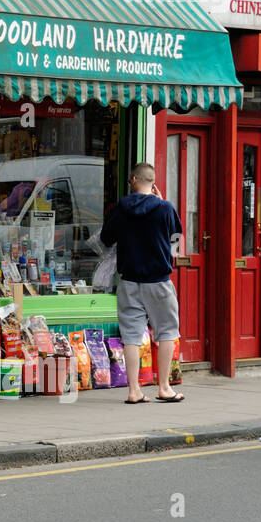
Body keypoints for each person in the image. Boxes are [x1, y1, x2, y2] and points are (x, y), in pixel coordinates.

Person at [101, 162, 184, 404]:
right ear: (152, 182)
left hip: (129, 281)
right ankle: (165, 387)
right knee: (167, 330)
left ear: (134, 181)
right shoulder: (165, 208)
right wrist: (163, 207)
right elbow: (176, 243)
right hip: (158, 280)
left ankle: (134, 390)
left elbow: (106, 239)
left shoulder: (121, 208)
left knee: (131, 336)